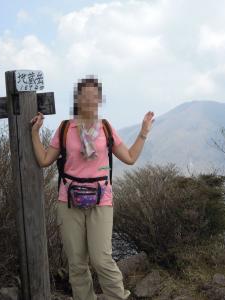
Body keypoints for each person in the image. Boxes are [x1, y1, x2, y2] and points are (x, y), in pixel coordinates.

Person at [30, 76, 154, 300]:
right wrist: (35, 133)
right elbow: (44, 160)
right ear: (77, 99)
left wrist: (143, 132)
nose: (89, 100)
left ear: (99, 100)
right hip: (68, 201)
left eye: (93, 96)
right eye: (84, 96)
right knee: (77, 263)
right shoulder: (66, 128)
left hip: (102, 200)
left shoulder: (105, 128)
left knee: (101, 259)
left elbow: (130, 157)